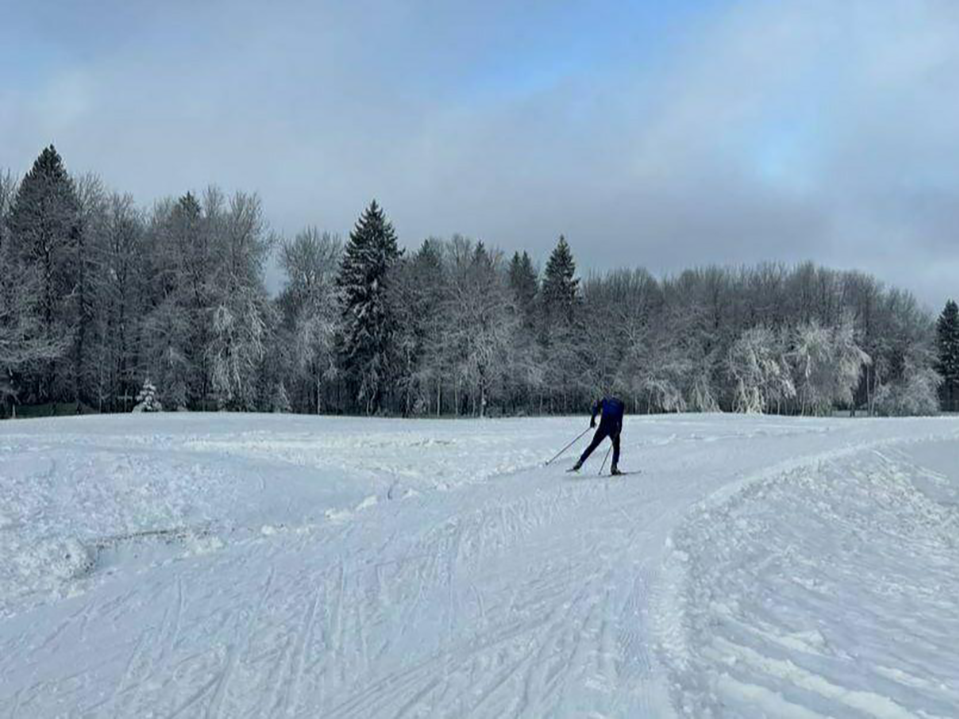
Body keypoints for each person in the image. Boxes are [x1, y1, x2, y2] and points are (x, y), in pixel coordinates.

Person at [569, 396, 625, 475]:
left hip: (603, 427)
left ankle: (580, 462)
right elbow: (620, 418)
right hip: (613, 428)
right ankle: (614, 467)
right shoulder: (621, 404)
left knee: (593, 445)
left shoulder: (606, 400)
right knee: (616, 447)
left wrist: (592, 420)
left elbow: (596, 408)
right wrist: (619, 429)